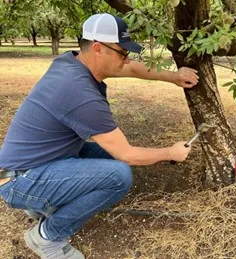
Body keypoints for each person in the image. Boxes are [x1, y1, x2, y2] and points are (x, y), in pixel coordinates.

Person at [0, 13, 199, 259]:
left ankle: (44, 204)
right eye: (122, 53)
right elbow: (127, 154)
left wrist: (173, 76)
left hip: (37, 163)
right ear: (98, 48)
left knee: (109, 158)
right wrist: (170, 153)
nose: (127, 59)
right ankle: (46, 237)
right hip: (19, 180)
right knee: (118, 175)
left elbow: (132, 69)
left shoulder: (71, 62)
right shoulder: (80, 92)